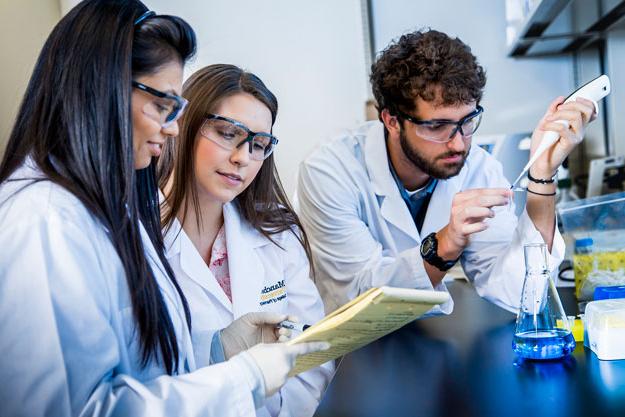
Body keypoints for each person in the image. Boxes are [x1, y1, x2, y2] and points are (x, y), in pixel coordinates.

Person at [0, 2, 327, 417]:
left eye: (259, 144)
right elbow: (76, 407)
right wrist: (242, 379)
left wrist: (217, 348)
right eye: (162, 105)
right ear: (103, 88)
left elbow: (141, 362)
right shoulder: (46, 221)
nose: (171, 126)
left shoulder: (107, 212)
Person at [296, 29, 596, 314]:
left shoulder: (477, 167)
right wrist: (447, 243)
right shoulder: (330, 171)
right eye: (437, 126)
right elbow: (358, 299)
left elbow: (519, 293)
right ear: (391, 120)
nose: (458, 143)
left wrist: (542, 175)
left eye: (467, 121)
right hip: (354, 352)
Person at [158, 63, 333, 417]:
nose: (243, 158)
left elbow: (312, 353)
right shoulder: (134, 237)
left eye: (259, 144)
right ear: (183, 125)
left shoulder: (277, 233)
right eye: (226, 133)